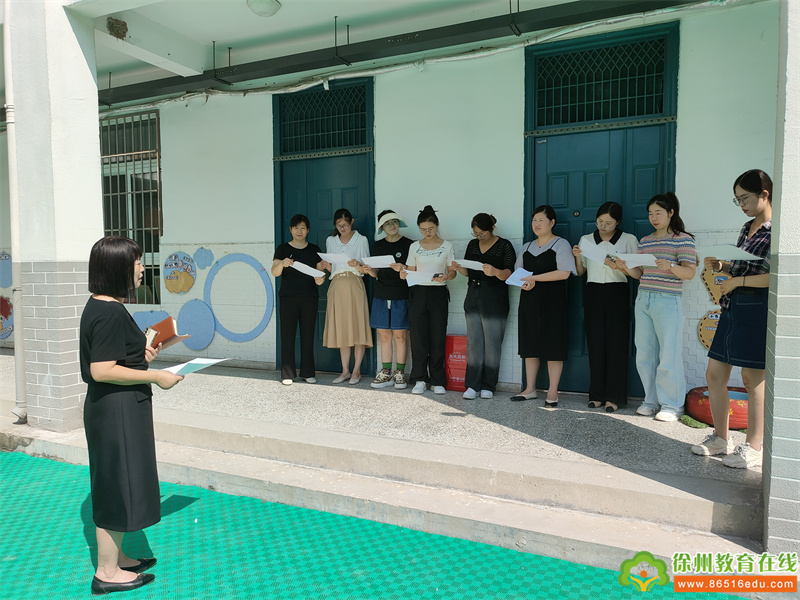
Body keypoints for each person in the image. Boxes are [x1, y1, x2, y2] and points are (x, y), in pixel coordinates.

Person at [80, 236, 183, 596]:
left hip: (116, 409)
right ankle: (107, 572)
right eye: (136, 262)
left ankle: (119, 557)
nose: (141, 267)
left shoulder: (104, 305)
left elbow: (115, 358)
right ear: (117, 268)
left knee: (121, 483)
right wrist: (156, 375)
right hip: (115, 412)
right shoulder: (108, 311)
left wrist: (142, 353)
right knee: (116, 488)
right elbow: (102, 369)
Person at [691, 170, 772, 468]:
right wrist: (723, 263)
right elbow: (741, 265)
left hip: (755, 309)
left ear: (764, 194)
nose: (741, 204)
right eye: (737, 199)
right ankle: (721, 439)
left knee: (752, 380)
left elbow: (773, 277)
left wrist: (737, 282)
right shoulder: (747, 227)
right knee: (714, 374)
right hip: (731, 308)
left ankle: (753, 447)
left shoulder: (778, 230)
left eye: (745, 198)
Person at [609, 192, 697, 422]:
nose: (654, 218)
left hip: (668, 300)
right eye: (650, 213)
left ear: (671, 213)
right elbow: (640, 274)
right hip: (644, 298)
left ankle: (672, 405)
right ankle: (650, 400)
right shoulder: (646, 241)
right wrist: (623, 267)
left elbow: (689, 272)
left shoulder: (683, 239)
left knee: (669, 354)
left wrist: (670, 266)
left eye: (658, 213)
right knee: (645, 353)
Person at [572, 202, 638, 412]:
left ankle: (613, 397)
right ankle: (596, 395)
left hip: (617, 291)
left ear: (617, 222)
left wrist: (622, 266)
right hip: (593, 292)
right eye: (600, 221)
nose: (603, 226)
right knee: (596, 344)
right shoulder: (586, 240)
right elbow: (581, 272)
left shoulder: (628, 240)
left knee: (616, 345)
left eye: (608, 223)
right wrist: (576, 257)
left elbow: (638, 273)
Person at [513, 205, 576, 407]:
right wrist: (523, 281)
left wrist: (534, 278)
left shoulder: (561, 244)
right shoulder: (526, 246)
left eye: (541, 220)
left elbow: (564, 272)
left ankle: (552, 390)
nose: (536, 224)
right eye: (534, 221)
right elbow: (517, 272)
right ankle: (530, 388)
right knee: (530, 343)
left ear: (552, 223)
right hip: (529, 300)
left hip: (553, 301)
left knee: (553, 344)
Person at [453, 213, 516, 399]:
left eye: (482, 233)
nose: (479, 237)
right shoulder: (472, 245)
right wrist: (460, 268)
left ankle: (489, 385)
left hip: (495, 296)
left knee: (492, 343)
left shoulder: (504, 245)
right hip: (473, 294)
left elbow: (509, 274)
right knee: (474, 342)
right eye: (476, 233)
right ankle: (472, 385)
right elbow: (468, 271)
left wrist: (496, 272)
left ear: (492, 229)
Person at [401, 205, 456, 395]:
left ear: (437, 225)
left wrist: (446, 277)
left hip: (438, 294)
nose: (427, 233)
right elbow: (410, 271)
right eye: (423, 230)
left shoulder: (447, 246)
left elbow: (453, 272)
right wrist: (403, 273)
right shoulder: (414, 246)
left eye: (430, 229)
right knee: (418, 338)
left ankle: (437, 380)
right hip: (418, 293)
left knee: (437, 337)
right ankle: (419, 379)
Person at [319, 208, 373, 384]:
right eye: (339, 225)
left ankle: (356, 371)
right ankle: (345, 371)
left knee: (357, 327)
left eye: (345, 224)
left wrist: (357, 264)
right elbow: (333, 268)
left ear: (352, 223)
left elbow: (367, 268)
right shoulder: (331, 241)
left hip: (354, 284)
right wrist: (327, 266)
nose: (342, 228)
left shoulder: (361, 240)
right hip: (336, 285)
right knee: (342, 328)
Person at [271, 214, 326, 386]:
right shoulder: (282, 249)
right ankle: (287, 373)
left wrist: (320, 280)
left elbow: (320, 276)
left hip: (309, 297)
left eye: (303, 227)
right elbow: (274, 272)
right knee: (287, 335)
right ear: (290, 230)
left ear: (308, 230)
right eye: (296, 228)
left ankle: (308, 372)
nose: (299, 231)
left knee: (307, 335)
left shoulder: (314, 249)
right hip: (288, 297)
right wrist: (282, 263)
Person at [364, 210, 413, 390]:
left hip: (401, 294)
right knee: (384, 335)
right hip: (381, 294)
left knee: (400, 335)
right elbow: (376, 273)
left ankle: (400, 373)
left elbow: (413, 270)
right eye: (387, 223)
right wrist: (368, 270)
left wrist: (404, 268)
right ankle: (386, 373)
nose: (392, 225)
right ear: (382, 228)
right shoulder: (377, 246)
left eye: (394, 222)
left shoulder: (409, 244)